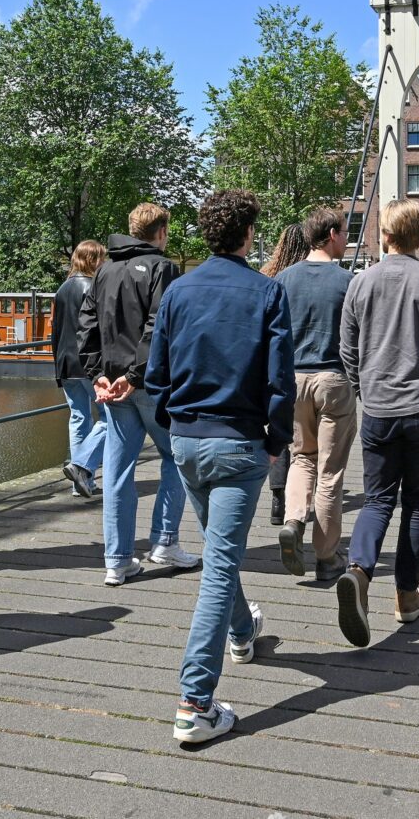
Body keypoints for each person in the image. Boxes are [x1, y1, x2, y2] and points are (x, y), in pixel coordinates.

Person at [144, 189, 293, 745]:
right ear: (249, 233)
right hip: (238, 444)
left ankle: (242, 633)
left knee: (218, 549)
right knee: (217, 565)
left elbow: (156, 372)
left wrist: (174, 424)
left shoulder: (178, 291)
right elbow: (281, 381)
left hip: (186, 440)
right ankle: (194, 703)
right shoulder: (267, 292)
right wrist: (276, 441)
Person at [335, 199, 419, 648]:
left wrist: (363, 388)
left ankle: (358, 570)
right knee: (416, 503)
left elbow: (348, 349)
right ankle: (407, 597)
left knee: (375, 501)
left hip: (378, 409)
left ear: (384, 235)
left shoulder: (360, 284)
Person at [79, 202, 197, 585]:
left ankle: (117, 560)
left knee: (116, 471)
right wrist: (135, 374)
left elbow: (86, 324)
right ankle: (164, 541)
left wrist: (97, 374)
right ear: (161, 232)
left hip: (113, 386)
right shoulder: (163, 268)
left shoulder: (104, 270)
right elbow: (159, 325)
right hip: (150, 384)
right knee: (175, 459)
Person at [275, 207, 357, 584]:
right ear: (330, 235)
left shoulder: (283, 280)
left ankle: (293, 520)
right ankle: (327, 556)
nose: (347, 238)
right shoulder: (347, 282)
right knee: (330, 471)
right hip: (333, 380)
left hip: (293, 380)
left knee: (300, 458)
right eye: (344, 232)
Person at [258, 222, 309, 526]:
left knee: (277, 430)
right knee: (299, 438)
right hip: (304, 364)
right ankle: (298, 497)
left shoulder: (268, 275)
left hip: (272, 364)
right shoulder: (306, 276)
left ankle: (277, 497)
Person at [53, 240, 106, 498]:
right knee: (109, 418)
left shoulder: (62, 289)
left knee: (78, 419)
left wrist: (57, 369)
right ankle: (82, 466)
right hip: (88, 363)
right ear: (93, 260)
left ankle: (81, 483)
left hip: (66, 363)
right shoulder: (93, 287)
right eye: (102, 259)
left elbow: (56, 330)